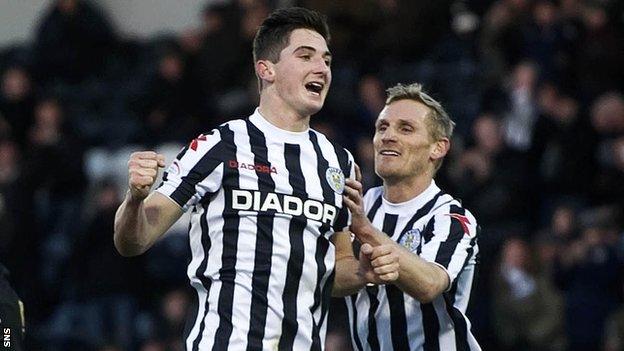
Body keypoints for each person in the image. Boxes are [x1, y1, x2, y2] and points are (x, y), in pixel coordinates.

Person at [114, 7, 397, 350]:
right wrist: (135, 199)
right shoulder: (220, 145)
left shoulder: (339, 162)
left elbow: (334, 269)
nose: (321, 68)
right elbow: (134, 240)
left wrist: (364, 273)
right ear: (266, 69)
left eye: (326, 59)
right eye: (305, 56)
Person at [333, 83, 482, 350]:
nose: (388, 136)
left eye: (405, 128)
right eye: (382, 127)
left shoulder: (451, 218)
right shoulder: (357, 205)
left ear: (438, 148)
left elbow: (429, 284)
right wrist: (360, 272)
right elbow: (330, 281)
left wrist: (365, 230)